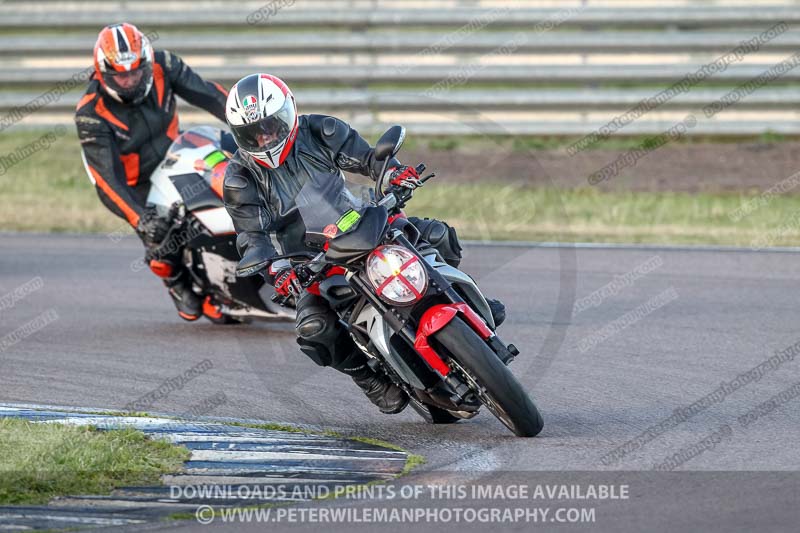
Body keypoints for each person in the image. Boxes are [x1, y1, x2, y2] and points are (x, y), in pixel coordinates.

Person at [222, 73, 505, 414]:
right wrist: (278, 271)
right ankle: (368, 378)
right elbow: (251, 235)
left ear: (288, 112)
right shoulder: (240, 177)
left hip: (359, 220)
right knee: (314, 327)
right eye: (253, 133)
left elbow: (369, 159)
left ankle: (465, 301)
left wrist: (394, 174)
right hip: (308, 260)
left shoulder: (321, 131)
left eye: (270, 126)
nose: (265, 138)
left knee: (436, 235)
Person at [74, 23, 234, 320]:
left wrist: (245, 121)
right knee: (162, 240)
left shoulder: (165, 65)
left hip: (176, 153)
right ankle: (176, 280)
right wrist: (140, 218)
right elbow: (107, 181)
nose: (130, 81)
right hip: (135, 184)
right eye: (120, 76)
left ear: (147, 62)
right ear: (103, 74)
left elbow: (210, 95)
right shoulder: (90, 114)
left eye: (135, 72)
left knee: (227, 183)